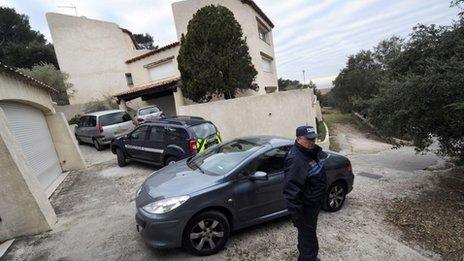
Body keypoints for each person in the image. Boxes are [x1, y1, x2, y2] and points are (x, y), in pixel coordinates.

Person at [283, 126, 327, 261]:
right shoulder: (297, 159)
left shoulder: (308, 152)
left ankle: (309, 257)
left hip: (313, 204)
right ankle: (308, 258)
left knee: (309, 234)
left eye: (313, 138)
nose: (312, 142)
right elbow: (291, 192)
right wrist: (298, 217)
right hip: (305, 209)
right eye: (308, 139)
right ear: (298, 139)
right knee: (307, 237)